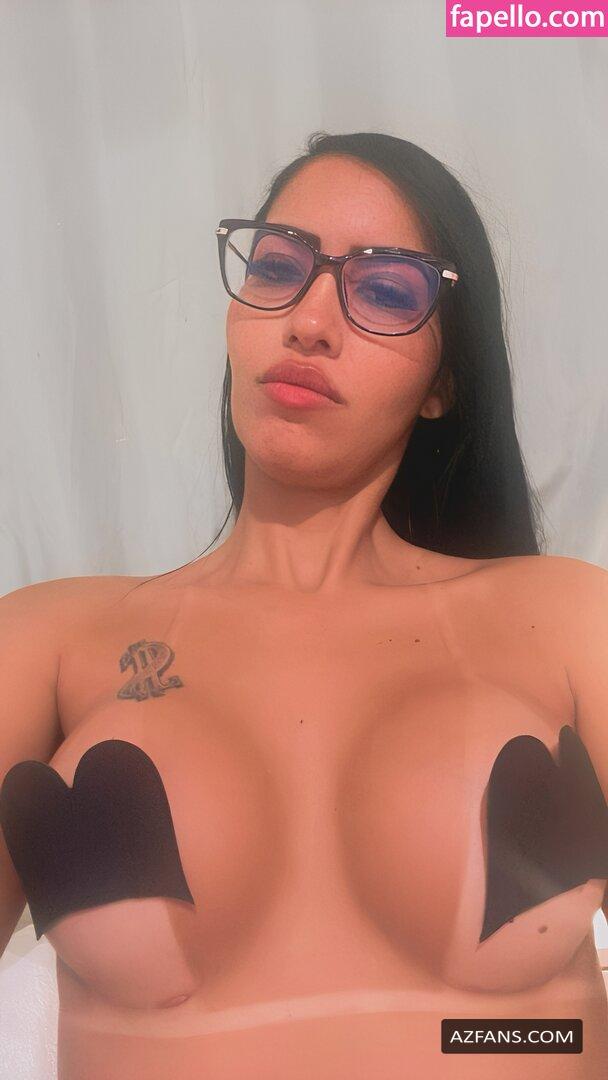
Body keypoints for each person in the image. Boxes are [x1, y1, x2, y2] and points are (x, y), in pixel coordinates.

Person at [1, 130, 607, 1080]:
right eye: (280, 267)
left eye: (387, 290)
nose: (311, 320)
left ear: (444, 382)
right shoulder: (46, 641)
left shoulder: (570, 618)